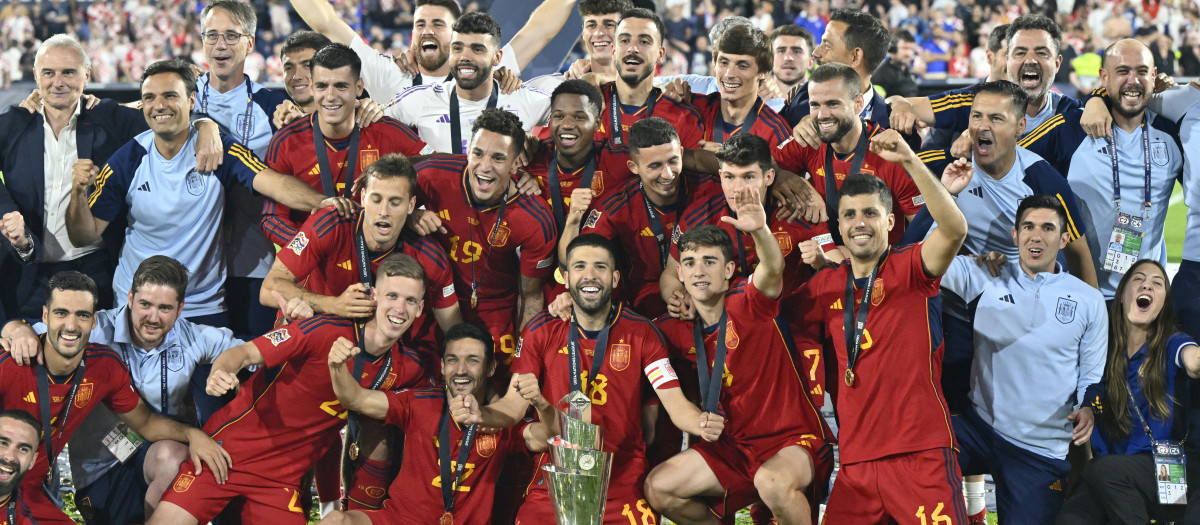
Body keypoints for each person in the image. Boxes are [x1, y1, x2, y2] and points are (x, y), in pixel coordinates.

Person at [450, 233, 722, 525]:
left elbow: (675, 403)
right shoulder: (540, 330)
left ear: (615, 278)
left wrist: (702, 423)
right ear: (566, 278)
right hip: (558, 475)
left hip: (621, 479)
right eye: (580, 266)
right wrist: (483, 415)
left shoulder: (642, 332)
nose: (589, 275)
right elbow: (512, 409)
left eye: (600, 267)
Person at [64, 58, 351, 326]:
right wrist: (78, 193)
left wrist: (323, 202)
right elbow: (83, 235)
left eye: (170, 96)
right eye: (150, 98)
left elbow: (273, 182)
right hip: (138, 304)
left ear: (191, 100)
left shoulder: (218, 150)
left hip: (202, 307)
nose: (159, 105)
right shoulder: (128, 159)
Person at [149, 255, 429, 525]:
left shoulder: (409, 368)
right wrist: (221, 371)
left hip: (280, 482)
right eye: (392, 296)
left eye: (410, 300)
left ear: (420, 308)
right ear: (375, 297)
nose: (399, 308)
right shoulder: (323, 330)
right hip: (228, 453)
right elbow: (244, 353)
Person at [790, 125, 969, 522]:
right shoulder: (825, 286)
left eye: (871, 213)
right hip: (856, 464)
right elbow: (768, 314)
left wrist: (909, 159)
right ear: (837, 225)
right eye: (849, 214)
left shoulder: (912, 268)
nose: (859, 223)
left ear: (890, 222)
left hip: (920, 454)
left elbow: (955, 230)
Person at [0, 256, 243, 525]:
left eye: (165, 308)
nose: (153, 317)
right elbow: (35, 330)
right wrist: (16, 328)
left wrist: (224, 368)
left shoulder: (191, 338)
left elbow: (252, 352)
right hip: (83, 465)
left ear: (180, 308)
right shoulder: (91, 329)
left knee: (176, 458)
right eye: (145, 305)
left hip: (144, 451)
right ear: (129, 298)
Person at [0, 34, 219, 321]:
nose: (58, 82)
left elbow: (166, 116)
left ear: (87, 75)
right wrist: (7, 213)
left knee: (98, 361)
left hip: (95, 272)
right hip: (26, 271)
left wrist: (205, 123)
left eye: (69, 72)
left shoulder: (109, 118)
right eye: (48, 73)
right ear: (35, 75)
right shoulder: (14, 124)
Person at [648, 210, 834, 523]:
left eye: (710, 261)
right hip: (733, 450)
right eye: (690, 263)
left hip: (792, 442)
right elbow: (624, 335)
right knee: (659, 487)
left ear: (729, 269)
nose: (699, 271)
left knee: (771, 481)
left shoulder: (749, 302)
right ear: (680, 274)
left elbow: (773, 268)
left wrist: (761, 229)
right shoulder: (668, 330)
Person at [939, 195, 1106, 523]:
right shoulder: (985, 273)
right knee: (911, 452)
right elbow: (916, 261)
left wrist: (1089, 407)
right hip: (977, 428)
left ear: (1064, 238)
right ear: (1015, 235)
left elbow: (1094, 375)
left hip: (1038, 450)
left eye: (1048, 228)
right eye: (1028, 227)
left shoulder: (1089, 300)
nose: (1036, 236)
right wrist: (949, 193)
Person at [262, 154, 460, 372]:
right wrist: (333, 305)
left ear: (411, 205)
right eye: (376, 200)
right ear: (363, 197)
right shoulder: (332, 223)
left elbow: (454, 331)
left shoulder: (429, 257)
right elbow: (269, 288)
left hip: (381, 363)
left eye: (395, 203)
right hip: (316, 345)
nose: (384, 212)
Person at [315, 323, 529, 525]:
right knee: (336, 520)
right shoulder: (420, 402)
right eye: (453, 360)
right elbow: (355, 399)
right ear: (443, 366)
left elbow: (544, 435)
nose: (461, 370)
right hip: (403, 520)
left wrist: (540, 404)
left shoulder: (501, 419)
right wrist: (337, 366)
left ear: (490, 368)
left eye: (472, 360)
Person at [1019, 39, 1183, 301]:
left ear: (1154, 76)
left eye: (1142, 71)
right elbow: (1008, 161)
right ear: (1103, 78)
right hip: (1080, 293)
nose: (1133, 80)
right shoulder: (1071, 127)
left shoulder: (1173, 132)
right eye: (1122, 71)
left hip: (1145, 299)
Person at [410, 109, 556, 367]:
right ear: (468, 151)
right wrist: (408, 217)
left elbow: (530, 297)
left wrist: (525, 359)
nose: (484, 166)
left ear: (515, 165)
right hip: (430, 302)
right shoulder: (433, 175)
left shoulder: (535, 218)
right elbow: (382, 187)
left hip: (495, 310)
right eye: (478, 153)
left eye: (498, 158)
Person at [1057, 260, 1200, 524]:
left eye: (1158, 283)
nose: (1147, 284)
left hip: (1170, 475)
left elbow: (1192, 361)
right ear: (1121, 296)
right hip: (1112, 476)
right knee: (1072, 518)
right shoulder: (1100, 348)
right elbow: (1094, 390)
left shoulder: (1172, 342)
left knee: (1104, 469)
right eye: (1138, 279)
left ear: (1164, 304)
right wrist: (1088, 409)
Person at [260, 43, 432, 247]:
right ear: (313, 87)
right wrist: (307, 247)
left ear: (359, 87)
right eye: (322, 86)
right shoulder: (286, 141)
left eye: (341, 86)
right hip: (317, 266)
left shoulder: (387, 131)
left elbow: (436, 168)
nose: (331, 96)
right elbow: (271, 218)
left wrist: (412, 211)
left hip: (378, 261)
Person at [195, 0, 291, 338]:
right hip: (191, 266)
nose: (221, 45)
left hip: (252, 263)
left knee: (252, 371)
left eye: (232, 36)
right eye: (213, 35)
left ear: (250, 42)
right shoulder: (178, 99)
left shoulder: (273, 107)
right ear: (202, 40)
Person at [569, 117, 722, 318]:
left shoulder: (711, 190)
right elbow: (578, 256)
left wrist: (779, 176)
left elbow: (749, 165)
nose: (667, 174)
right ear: (634, 167)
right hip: (639, 309)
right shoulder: (615, 207)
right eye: (655, 166)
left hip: (707, 296)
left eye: (673, 161)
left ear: (682, 154)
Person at [290, 0, 575, 105]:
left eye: (438, 24)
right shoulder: (388, 74)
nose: (427, 30)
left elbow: (540, 29)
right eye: (420, 24)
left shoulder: (486, 73)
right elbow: (325, 22)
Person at [774, 63, 924, 247]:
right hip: (826, 263)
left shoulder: (889, 152)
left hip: (881, 266)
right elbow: (763, 167)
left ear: (858, 104)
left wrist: (895, 266)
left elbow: (921, 226)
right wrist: (793, 181)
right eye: (815, 105)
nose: (822, 115)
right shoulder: (810, 138)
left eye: (833, 104)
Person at [888, 16, 1079, 142]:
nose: (1030, 60)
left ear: (1057, 63)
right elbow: (894, 104)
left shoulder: (1071, 113)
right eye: (1020, 53)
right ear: (1007, 59)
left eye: (1041, 53)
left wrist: (1098, 99)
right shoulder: (971, 100)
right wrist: (899, 103)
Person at [385, 12, 552, 155]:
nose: (464, 57)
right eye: (457, 48)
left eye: (477, 49)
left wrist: (537, 147)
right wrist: (367, 108)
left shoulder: (524, 99)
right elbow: (371, 126)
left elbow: (571, 122)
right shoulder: (421, 99)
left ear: (497, 57)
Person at [523, 80, 634, 233]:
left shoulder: (619, 162)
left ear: (597, 123)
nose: (567, 124)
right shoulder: (530, 159)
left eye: (579, 117)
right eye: (559, 116)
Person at [594, 8, 705, 149]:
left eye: (644, 42)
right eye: (624, 40)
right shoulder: (588, 105)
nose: (632, 48)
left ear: (660, 53)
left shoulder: (682, 116)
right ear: (613, 50)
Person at [778, 9, 891, 128]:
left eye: (826, 46)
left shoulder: (894, 123)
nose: (816, 53)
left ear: (855, 57)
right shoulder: (802, 99)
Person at [688, 24, 793, 149]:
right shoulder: (691, 111)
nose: (729, 74)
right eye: (724, 62)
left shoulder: (776, 132)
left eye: (742, 65)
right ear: (714, 64)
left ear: (763, 72)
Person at [0, 409, 43, 525]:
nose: (10, 457)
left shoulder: (38, 519)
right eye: (3, 443)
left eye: (23, 449)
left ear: (32, 460)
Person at [277, 30, 332, 117]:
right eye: (289, 68)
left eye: (307, 66)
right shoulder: (275, 124)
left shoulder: (356, 121)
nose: (296, 76)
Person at [768, 25, 814, 101]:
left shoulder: (826, 102)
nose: (788, 58)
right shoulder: (753, 103)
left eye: (796, 51)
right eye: (781, 51)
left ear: (811, 62)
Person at [871, 30, 919, 99]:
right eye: (905, 48)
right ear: (892, 49)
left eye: (911, 49)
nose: (909, 54)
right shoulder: (881, 75)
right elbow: (878, 105)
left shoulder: (908, 72)